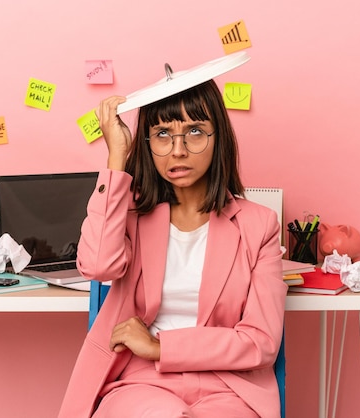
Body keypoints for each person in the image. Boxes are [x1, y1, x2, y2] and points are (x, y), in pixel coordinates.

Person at [59, 79, 287, 418]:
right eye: (163, 134)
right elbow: (96, 267)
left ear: (217, 137)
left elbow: (260, 342)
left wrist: (159, 346)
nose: (178, 150)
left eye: (195, 132)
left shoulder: (259, 225)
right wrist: (116, 158)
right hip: (142, 384)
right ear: (148, 143)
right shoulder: (131, 215)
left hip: (229, 387)